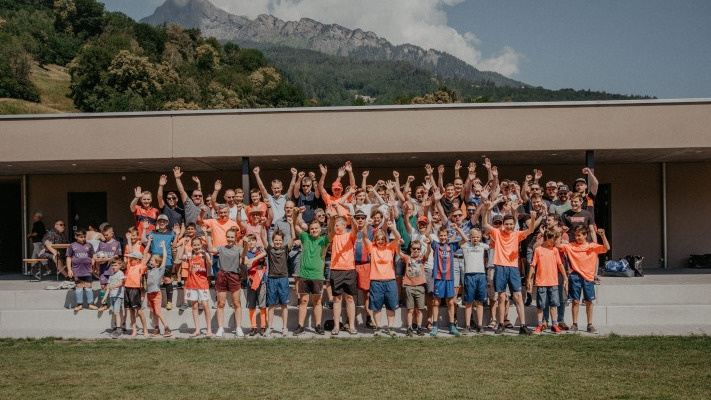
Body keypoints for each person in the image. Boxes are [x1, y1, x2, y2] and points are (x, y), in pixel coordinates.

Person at [482, 201, 539, 335]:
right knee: (501, 297)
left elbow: (530, 230)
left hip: (513, 268)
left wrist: (533, 218)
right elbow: (485, 224)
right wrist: (487, 210)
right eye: (506, 224)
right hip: (500, 267)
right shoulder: (497, 233)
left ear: (514, 225)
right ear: (503, 224)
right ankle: (501, 324)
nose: (509, 226)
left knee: (518, 296)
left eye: (511, 224)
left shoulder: (516, 234)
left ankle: (523, 326)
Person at [561, 226, 610, 334]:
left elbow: (606, 248)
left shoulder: (592, 246)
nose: (577, 238)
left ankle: (590, 324)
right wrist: (561, 233)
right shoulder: (571, 246)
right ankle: (574, 324)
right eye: (575, 235)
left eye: (579, 235)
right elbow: (557, 245)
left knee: (589, 301)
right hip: (575, 276)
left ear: (585, 235)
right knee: (575, 301)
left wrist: (602, 235)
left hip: (588, 277)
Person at [292, 208, 329, 335]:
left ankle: (318, 326)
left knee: (317, 302)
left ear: (320, 229)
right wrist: (296, 214)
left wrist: (331, 218)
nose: (314, 230)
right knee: (303, 301)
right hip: (304, 275)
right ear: (309, 229)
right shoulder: (305, 237)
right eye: (312, 228)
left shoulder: (324, 240)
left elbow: (332, 232)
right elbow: (295, 225)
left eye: (316, 228)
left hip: (317, 276)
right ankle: (300, 326)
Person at [363, 220, 402, 336]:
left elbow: (398, 237)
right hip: (376, 281)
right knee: (376, 307)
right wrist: (367, 225)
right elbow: (364, 236)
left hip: (390, 281)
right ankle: (379, 327)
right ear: (375, 240)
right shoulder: (372, 248)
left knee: (391, 306)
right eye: (378, 239)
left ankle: (390, 328)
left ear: (385, 239)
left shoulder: (390, 247)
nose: (380, 241)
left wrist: (392, 228)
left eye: (382, 239)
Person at [204, 226, 243, 338]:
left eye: (232, 237)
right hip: (222, 275)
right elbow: (210, 249)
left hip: (234, 276)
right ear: (226, 237)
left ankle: (238, 327)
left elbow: (245, 254)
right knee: (221, 303)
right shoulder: (221, 248)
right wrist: (209, 235)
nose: (230, 239)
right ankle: (220, 328)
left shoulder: (239, 249)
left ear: (235, 238)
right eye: (228, 237)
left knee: (236, 303)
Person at [527, 229, 568, 334]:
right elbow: (533, 265)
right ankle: (540, 324)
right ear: (547, 238)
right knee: (541, 305)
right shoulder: (538, 250)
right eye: (553, 239)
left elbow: (560, 264)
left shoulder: (554, 250)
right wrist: (529, 279)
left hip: (553, 282)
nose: (555, 242)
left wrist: (565, 277)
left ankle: (554, 324)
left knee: (553, 304)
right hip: (541, 282)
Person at [327, 211, 361, 335]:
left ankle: (352, 326)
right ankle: (336, 326)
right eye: (335, 225)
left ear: (344, 225)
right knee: (337, 299)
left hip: (349, 270)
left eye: (338, 225)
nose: (336, 227)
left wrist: (352, 220)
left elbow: (355, 229)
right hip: (336, 270)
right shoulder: (333, 236)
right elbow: (330, 231)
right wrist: (332, 219)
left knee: (350, 298)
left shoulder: (349, 235)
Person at [429, 224, 463, 336]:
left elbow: (465, 240)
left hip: (449, 278)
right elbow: (427, 235)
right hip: (439, 278)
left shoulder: (452, 246)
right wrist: (430, 223)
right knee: (436, 302)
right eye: (441, 235)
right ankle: (435, 326)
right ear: (438, 236)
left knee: (451, 302)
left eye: (445, 235)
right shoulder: (436, 245)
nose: (443, 237)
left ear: (448, 236)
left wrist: (457, 229)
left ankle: (452, 326)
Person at [142, 215, 181, 310]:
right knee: (152, 280)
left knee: (167, 280)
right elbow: (143, 240)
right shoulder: (152, 232)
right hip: (154, 261)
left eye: (164, 221)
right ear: (157, 223)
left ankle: (169, 301)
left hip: (167, 260)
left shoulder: (171, 233)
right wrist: (144, 229)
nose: (162, 223)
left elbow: (174, 245)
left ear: (167, 223)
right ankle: (152, 301)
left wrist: (177, 234)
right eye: (160, 221)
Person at [397, 238, 432, 336]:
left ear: (420, 249)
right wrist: (399, 244)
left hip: (420, 287)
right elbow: (398, 252)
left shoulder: (422, 258)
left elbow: (428, 252)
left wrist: (429, 244)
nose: (416, 250)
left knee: (419, 309)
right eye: (414, 248)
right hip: (409, 287)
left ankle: (419, 327)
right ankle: (409, 327)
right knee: (410, 309)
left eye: (418, 248)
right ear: (410, 249)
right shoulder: (407, 258)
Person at [266, 228, 295, 337]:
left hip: (283, 279)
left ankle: (284, 328)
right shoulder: (270, 249)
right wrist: (263, 225)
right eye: (276, 240)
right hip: (272, 279)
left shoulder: (285, 249)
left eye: (279, 240)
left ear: (282, 241)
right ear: (273, 240)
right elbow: (262, 237)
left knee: (284, 304)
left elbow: (293, 237)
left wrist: (291, 224)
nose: (277, 242)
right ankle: (270, 327)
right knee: (271, 305)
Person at [460, 228, 489, 335]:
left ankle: (480, 325)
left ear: (480, 237)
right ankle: (467, 326)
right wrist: (458, 229)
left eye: (477, 237)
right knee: (469, 302)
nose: (475, 239)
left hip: (480, 275)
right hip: (469, 275)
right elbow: (464, 238)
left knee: (480, 302)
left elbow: (493, 243)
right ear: (470, 237)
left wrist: (488, 236)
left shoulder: (483, 246)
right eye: (473, 237)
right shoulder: (466, 245)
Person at [184, 236, 213, 337]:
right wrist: (184, 245)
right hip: (192, 284)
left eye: (198, 245)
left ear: (201, 245)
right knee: (194, 306)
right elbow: (178, 258)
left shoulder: (204, 255)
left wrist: (205, 254)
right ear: (192, 246)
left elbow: (210, 264)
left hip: (203, 284)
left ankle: (209, 329)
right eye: (194, 245)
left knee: (205, 306)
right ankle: (197, 329)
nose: (196, 247)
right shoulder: (189, 255)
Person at [144, 240, 172, 337]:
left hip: (156, 293)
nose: (150, 261)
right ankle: (157, 329)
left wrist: (163, 247)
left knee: (158, 312)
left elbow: (164, 257)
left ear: (157, 263)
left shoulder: (160, 270)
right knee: (154, 313)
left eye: (152, 260)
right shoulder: (149, 271)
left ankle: (167, 329)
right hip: (149, 294)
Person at [242, 233, 268, 336]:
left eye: (253, 240)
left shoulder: (260, 250)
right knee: (251, 305)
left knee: (262, 304)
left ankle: (263, 326)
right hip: (251, 282)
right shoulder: (246, 253)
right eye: (249, 241)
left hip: (261, 281)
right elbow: (245, 262)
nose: (251, 242)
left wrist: (253, 259)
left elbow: (265, 253)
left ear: (256, 241)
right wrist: (245, 244)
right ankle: (253, 327)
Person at [67, 229, 97, 311]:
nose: (83, 239)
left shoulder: (89, 245)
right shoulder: (72, 246)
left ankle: (91, 303)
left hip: (87, 270)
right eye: (81, 237)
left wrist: (93, 264)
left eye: (84, 237)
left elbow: (93, 255)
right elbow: (69, 258)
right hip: (77, 271)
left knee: (88, 286)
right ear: (76, 237)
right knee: (79, 286)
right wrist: (69, 270)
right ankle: (79, 304)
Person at [95, 224, 122, 312]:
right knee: (103, 286)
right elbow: (96, 255)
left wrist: (108, 259)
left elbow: (117, 256)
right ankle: (104, 304)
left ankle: (112, 304)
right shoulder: (101, 244)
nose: (105, 237)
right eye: (104, 235)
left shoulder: (116, 243)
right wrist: (97, 260)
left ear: (112, 234)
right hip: (103, 269)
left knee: (113, 286)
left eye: (107, 235)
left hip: (112, 270)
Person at [123, 250, 150, 338]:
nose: (130, 261)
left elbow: (146, 254)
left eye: (131, 259)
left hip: (135, 290)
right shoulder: (129, 266)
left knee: (139, 311)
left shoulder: (141, 266)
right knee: (131, 311)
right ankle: (134, 330)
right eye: (129, 259)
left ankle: (145, 330)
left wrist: (147, 245)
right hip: (127, 288)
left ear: (137, 260)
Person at [106, 257, 126, 338]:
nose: (113, 267)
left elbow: (121, 283)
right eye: (112, 265)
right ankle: (116, 327)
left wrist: (113, 287)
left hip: (118, 296)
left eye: (115, 265)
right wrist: (105, 297)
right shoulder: (111, 275)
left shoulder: (120, 273)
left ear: (120, 265)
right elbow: (108, 287)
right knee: (114, 312)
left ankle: (118, 329)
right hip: (112, 296)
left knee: (116, 312)